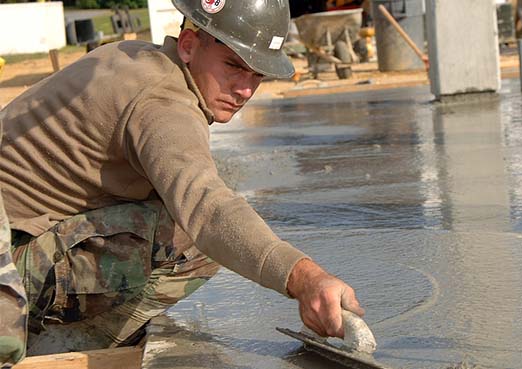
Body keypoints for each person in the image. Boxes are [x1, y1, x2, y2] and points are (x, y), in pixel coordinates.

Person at [0, 0, 364, 365]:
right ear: (189, 45)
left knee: (175, 210)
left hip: (16, 239)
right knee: (194, 239)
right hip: (9, 270)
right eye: (234, 66)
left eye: (257, 75)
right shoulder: (164, 103)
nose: (245, 90)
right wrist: (305, 278)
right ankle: (65, 343)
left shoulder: (135, 56)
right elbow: (209, 210)